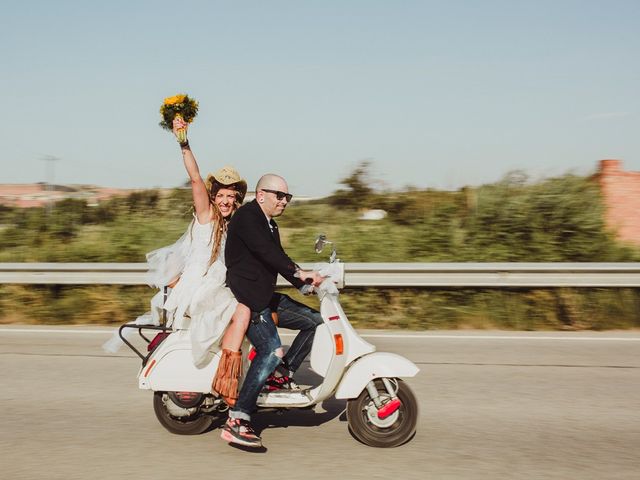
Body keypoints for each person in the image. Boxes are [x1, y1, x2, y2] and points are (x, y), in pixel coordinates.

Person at [145, 117, 251, 405]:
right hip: (202, 289)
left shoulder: (232, 226)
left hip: (216, 286)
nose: (227, 201)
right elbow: (194, 178)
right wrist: (184, 141)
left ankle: (242, 373)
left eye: (231, 196)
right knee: (242, 311)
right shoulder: (207, 218)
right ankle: (227, 384)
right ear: (213, 197)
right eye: (221, 195)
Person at [220, 173, 325, 448]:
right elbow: (267, 253)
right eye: (280, 196)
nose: (285, 201)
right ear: (261, 194)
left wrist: (303, 284)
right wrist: (300, 272)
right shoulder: (247, 217)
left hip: (265, 296)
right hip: (250, 299)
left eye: (287, 197)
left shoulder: (270, 225)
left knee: (316, 321)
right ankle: (237, 419)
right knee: (271, 350)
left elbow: (279, 258)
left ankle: (280, 376)